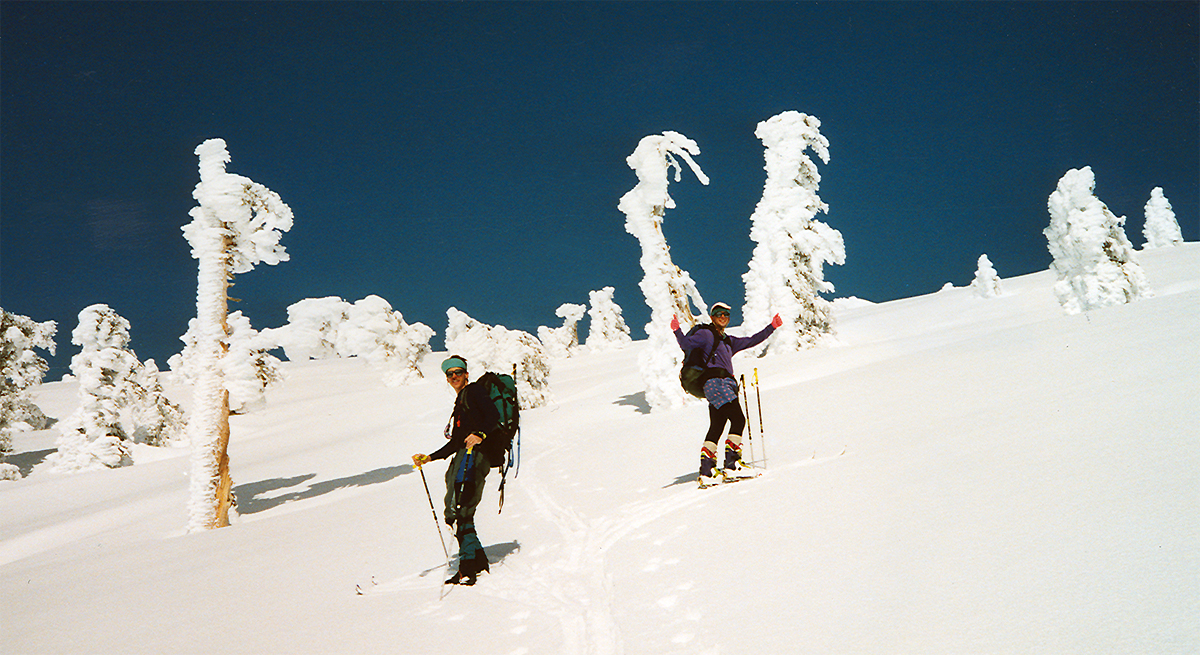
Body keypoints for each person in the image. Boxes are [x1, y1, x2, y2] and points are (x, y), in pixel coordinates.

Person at [412, 355, 502, 585]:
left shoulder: (473, 392)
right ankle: (478, 559)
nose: (454, 377)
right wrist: (430, 457)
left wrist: (480, 434)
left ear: (466, 374)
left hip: (475, 456)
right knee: (458, 510)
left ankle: (467, 568)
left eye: (458, 372)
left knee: (459, 508)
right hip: (465, 455)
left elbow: (494, 416)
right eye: (449, 374)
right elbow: (457, 442)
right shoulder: (462, 402)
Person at [672, 303, 782, 485]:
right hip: (717, 382)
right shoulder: (706, 334)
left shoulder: (728, 341)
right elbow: (685, 344)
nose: (723, 317)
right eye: (718, 314)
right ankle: (732, 465)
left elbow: (751, 340)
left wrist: (772, 327)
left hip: (719, 385)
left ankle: (707, 471)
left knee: (717, 426)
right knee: (739, 420)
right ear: (712, 317)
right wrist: (677, 331)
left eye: (726, 314)